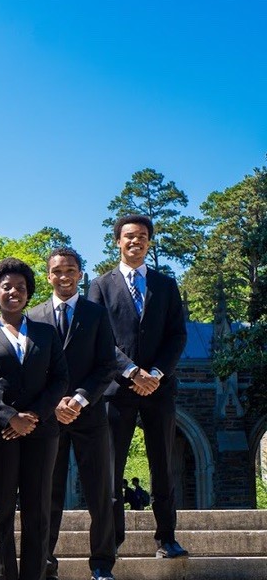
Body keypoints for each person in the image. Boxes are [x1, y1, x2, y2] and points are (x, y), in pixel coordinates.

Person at [0, 259, 67, 580]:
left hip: (42, 432)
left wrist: (34, 416)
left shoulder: (46, 333)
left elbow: (59, 379)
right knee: (0, 508)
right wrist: (9, 417)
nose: (14, 292)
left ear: (29, 293)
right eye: (6, 287)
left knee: (38, 507)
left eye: (21, 288)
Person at [89, 214, 188, 558]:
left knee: (163, 466)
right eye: (129, 236)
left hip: (159, 391)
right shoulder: (101, 286)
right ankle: (113, 540)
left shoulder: (165, 285)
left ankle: (167, 538)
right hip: (117, 392)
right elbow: (99, 339)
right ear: (117, 241)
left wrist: (156, 373)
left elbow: (178, 335)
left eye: (143, 236)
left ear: (149, 241)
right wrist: (132, 372)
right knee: (112, 468)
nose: (136, 241)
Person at [28, 247, 120, 580]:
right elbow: (32, 369)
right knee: (46, 494)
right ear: (48, 275)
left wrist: (79, 399)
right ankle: (44, 562)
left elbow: (106, 365)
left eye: (71, 270)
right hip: (49, 419)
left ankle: (102, 565)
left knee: (100, 493)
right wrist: (53, 403)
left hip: (90, 415)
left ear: (80, 274)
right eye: (57, 271)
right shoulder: (34, 317)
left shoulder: (96, 315)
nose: (64, 276)